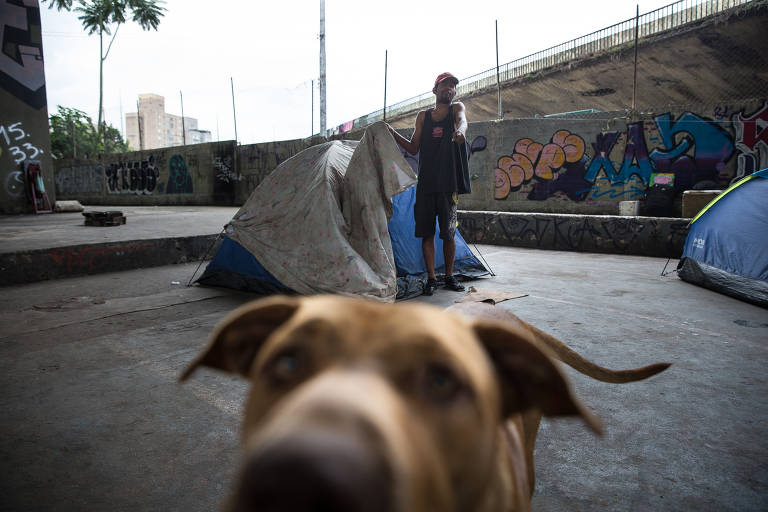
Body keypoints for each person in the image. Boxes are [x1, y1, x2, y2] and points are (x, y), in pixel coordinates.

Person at [388, 72, 470, 296]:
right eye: (445, 85)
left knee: (449, 234)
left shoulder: (456, 109)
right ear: (435, 90)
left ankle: (450, 276)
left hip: (448, 185)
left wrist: (460, 133)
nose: (450, 89)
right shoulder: (423, 117)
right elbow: (413, 148)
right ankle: (432, 278)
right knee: (426, 234)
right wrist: (393, 134)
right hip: (425, 185)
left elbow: (463, 121)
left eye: (453, 86)